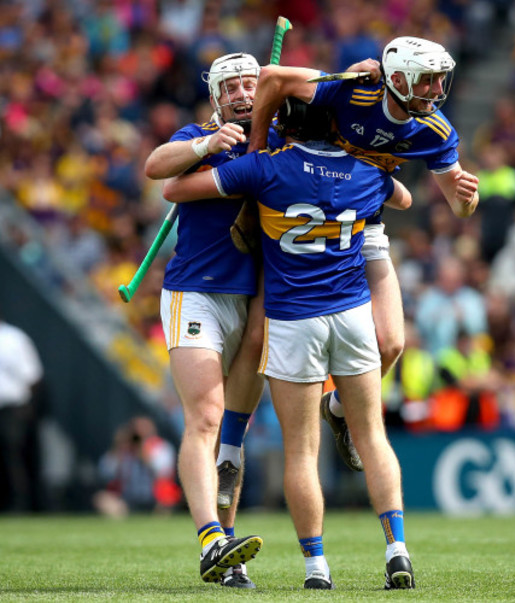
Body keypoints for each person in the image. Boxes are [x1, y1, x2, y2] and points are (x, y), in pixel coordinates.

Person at [163, 97, 416, 590]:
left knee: (297, 451)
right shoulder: (366, 172)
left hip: (291, 319)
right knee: (373, 436)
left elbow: (176, 188)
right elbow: (403, 199)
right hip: (349, 315)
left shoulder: (264, 167)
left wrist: (235, 148)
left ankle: (315, 570)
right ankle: (397, 550)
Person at [244, 35, 480, 468]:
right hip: (304, 217)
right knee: (257, 340)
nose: (436, 90)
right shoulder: (354, 87)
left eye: (439, 80)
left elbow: (460, 207)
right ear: (398, 78)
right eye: (426, 80)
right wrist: (255, 148)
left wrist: (467, 197)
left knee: (391, 345)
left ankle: (337, 411)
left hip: (363, 226)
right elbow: (271, 77)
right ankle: (230, 449)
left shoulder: (436, 130)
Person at [143, 52, 272, 587]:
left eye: (250, 83)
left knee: (233, 436)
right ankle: (210, 541)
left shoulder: (279, 136)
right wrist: (206, 145)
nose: (243, 92)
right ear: (216, 96)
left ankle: (229, 552)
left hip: (255, 304)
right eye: (232, 86)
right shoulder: (198, 134)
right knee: (205, 417)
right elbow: (156, 168)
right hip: (195, 294)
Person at [0, 313, 43, 512]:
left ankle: (19, 504)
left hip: (12, 407)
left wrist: (28, 407)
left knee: (12, 456)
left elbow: (32, 375)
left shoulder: (14, 338)